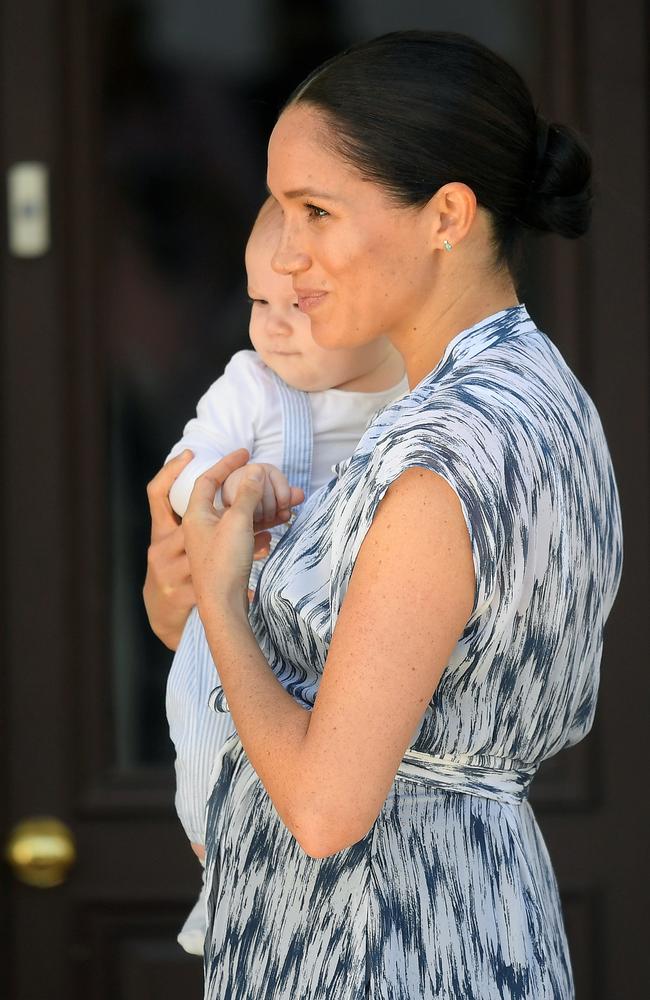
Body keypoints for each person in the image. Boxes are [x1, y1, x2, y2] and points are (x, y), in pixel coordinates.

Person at [144, 30, 623, 999]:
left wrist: (226, 596)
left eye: (314, 209)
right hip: (454, 918)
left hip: (379, 944)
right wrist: (185, 584)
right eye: (276, 208)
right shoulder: (534, 396)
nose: (285, 251)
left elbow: (324, 809)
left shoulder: (440, 457)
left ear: (446, 215)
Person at [163, 197, 407, 953]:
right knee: (210, 741)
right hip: (247, 619)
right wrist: (230, 487)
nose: (270, 326)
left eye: (296, 306)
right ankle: (220, 867)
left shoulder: (416, 395)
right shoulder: (256, 388)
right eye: (257, 302)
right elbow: (182, 470)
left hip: (352, 635)